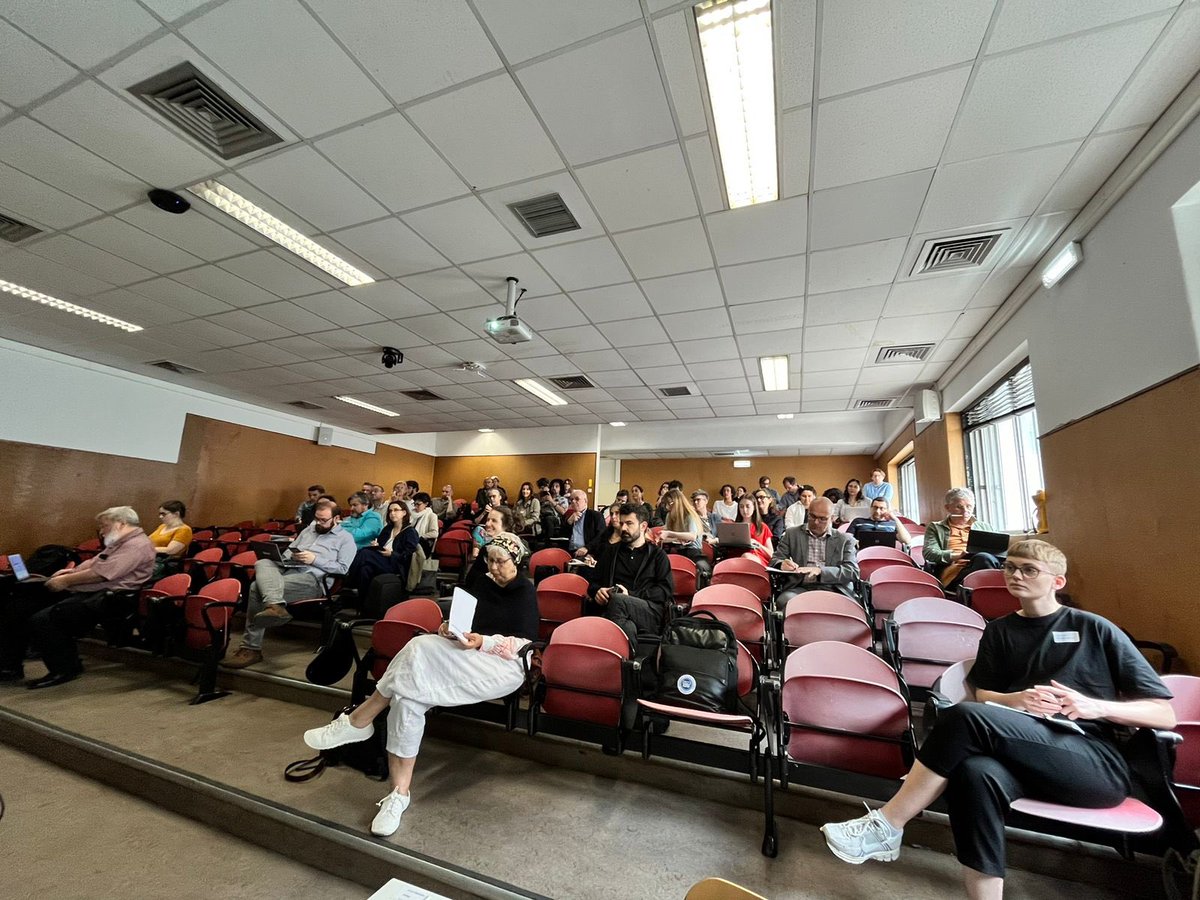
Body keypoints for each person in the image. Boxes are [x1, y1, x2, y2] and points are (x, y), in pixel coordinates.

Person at [820, 540, 1175, 900]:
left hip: (1091, 761)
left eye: (1029, 570)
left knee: (963, 717)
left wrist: (1094, 707)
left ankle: (889, 823)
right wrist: (1016, 699)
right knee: (975, 774)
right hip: (1021, 751)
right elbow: (985, 696)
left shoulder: (1096, 628)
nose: (1016, 575)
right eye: (1011, 568)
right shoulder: (1000, 631)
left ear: (1057, 581)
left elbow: (1164, 713)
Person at [301, 533, 538, 837]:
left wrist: (484, 641)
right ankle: (398, 794)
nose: (493, 567)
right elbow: (466, 624)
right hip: (469, 654)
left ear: (516, 561)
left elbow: (524, 644)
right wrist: (450, 629)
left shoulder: (525, 592)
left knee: (417, 654)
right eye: (489, 560)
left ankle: (360, 719)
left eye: (500, 561)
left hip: (504, 667)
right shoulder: (483, 583)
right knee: (410, 688)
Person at [0, 506, 156, 688]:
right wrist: (70, 571)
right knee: (18, 608)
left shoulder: (137, 546)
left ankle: (64, 668)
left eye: (105, 526)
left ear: (121, 524)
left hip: (106, 599)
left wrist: (66, 580)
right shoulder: (120, 544)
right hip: (86, 592)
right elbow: (94, 563)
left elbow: (102, 574)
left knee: (45, 620)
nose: (102, 531)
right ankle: (9, 666)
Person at [222, 499, 356, 669]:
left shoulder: (346, 539)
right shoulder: (309, 530)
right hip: (289, 572)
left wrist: (315, 559)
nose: (318, 523)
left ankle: (251, 647)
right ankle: (275, 605)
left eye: (323, 520)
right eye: (317, 519)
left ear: (336, 519)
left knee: (256, 587)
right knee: (263, 562)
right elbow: (288, 551)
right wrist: (289, 557)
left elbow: (343, 569)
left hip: (313, 580)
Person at [583, 504, 673, 647]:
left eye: (629, 523)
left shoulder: (657, 556)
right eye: (622, 523)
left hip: (648, 611)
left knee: (619, 600)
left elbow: (665, 591)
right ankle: (629, 663)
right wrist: (597, 592)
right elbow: (593, 583)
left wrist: (630, 594)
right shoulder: (610, 552)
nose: (623, 528)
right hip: (612, 608)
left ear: (643, 526)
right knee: (627, 625)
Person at [771, 497, 859, 603]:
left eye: (822, 519)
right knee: (785, 601)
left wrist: (820, 571)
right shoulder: (792, 534)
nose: (816, 522)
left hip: (835, 588)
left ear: (831, 518)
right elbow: (775, 559)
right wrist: (781, 564)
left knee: (846, 606)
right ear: (807, 513)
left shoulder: (845, 539)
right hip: (800, 587)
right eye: (812, 516)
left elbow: (852, 572)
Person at [925, 488, 1003, 590]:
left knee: (985, 558)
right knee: (984, 558)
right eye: (959, 507)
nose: (965, 511)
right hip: (955, 570)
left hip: (983, 563)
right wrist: (956, 555)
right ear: (948, 508)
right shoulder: (936, 527)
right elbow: (929, 553)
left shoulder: (985, 526)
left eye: (969, 506)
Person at [344, 501, 421, 597]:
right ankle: (364, 604)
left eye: (396, 510)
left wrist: (392, 554)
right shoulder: (388, 528)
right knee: (365, 569)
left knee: (364, 553)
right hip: (382, 559)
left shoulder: (410, 532)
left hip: (396, 564)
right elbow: (380, 545)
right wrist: (376, 545)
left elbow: (409, 555)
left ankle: (346, 580)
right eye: (390, 511)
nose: (392, 513)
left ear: (404, 513)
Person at [148, 500, 192, 578]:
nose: (160, 517)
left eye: (163, 514)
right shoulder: (162, 526)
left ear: (176, 514)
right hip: (151, 559)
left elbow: (171, 550)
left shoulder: (184, 530)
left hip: (165, 563)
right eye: (160, 514)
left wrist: (149, 549)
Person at [847, 497, 915, 546]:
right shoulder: (858, 521)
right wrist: (854, 541)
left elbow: (906, 541)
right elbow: (846, 537)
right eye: (875, 507)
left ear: (887, 510)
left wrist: (895, 519)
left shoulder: (892, 524)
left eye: (881, 508)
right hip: (861, 553)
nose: (877, 511)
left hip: (886, 554)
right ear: (871, 508)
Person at [733, 495, 774, 566]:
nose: (745, 510)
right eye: (741, 507)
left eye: (748, 506)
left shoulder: (762, 527)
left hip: (757, 559)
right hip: (736, 559)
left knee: (747, 556)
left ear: (754, 507)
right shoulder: (734, 527)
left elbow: (771, 554)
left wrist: (758, 545)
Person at [563, 489, 604, 556]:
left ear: (585, 501)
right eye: (571, 499)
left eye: (577, 499)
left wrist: (587, 547)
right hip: (569, 551)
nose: (573, 501)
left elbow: (601, 535)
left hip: (588, 551)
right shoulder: (568, 515)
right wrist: (569, 522)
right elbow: (562, 535)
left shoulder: (596, 515)